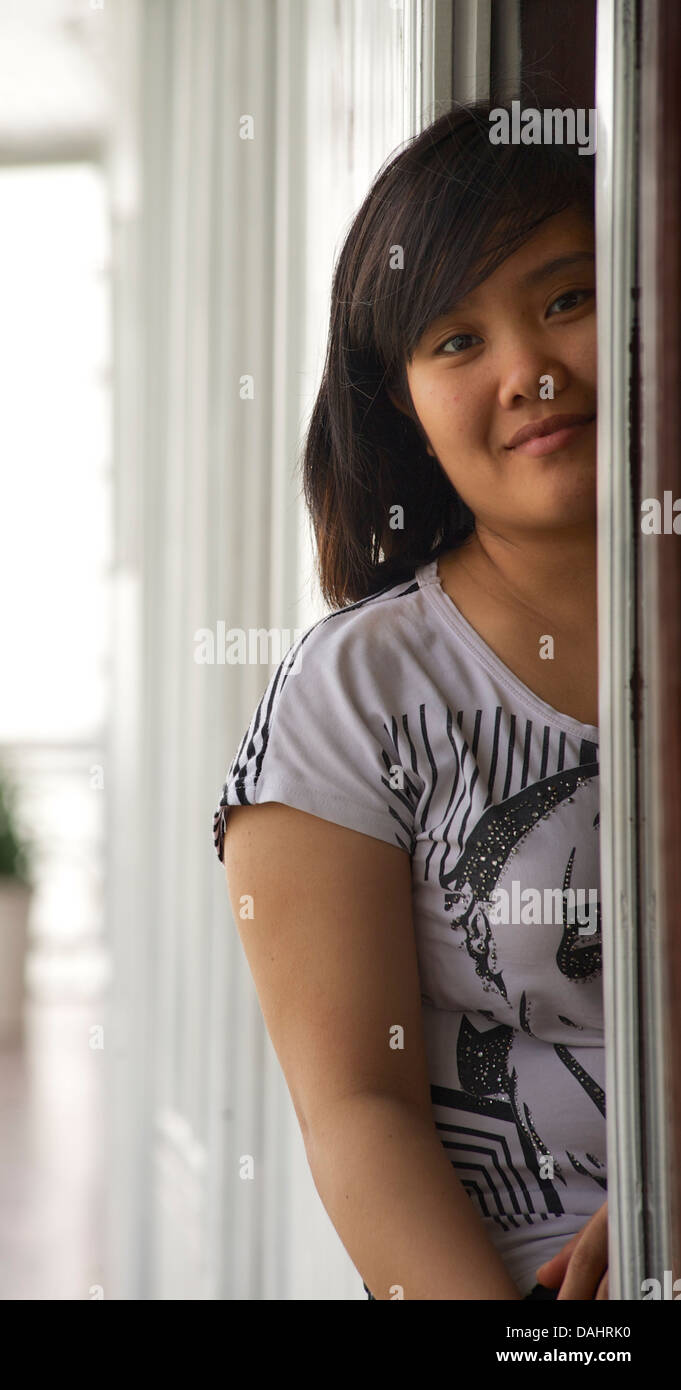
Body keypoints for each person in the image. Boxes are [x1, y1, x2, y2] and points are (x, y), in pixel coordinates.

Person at [211, 101, 608, 1300]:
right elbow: (354, 1107)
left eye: (566, 300)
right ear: (404, 409)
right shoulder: (358, 694)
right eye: (454, 341)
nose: (528, 371)